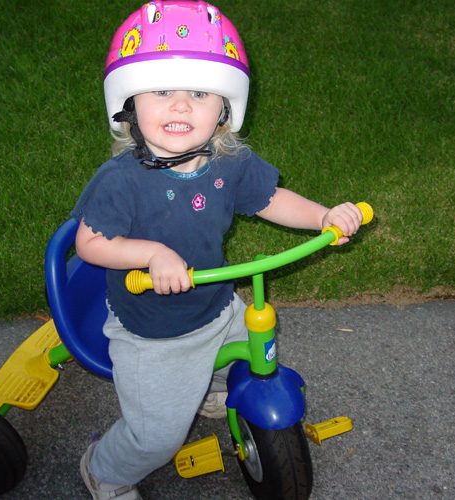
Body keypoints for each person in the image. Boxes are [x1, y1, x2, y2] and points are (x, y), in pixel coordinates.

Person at [71, 2, 363, 499]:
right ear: (128, 103)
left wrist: (322, 217)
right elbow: (90, 242)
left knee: (241, 357)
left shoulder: (230, 161)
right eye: (162, 91)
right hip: (153, 331)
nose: (181, 107)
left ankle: (208, 385)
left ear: (225, 108)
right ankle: (105, 469)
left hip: (217, 304)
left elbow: (271, 199)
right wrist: (151, 254)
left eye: (200, 93)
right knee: (156, 437)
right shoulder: (120, 180)